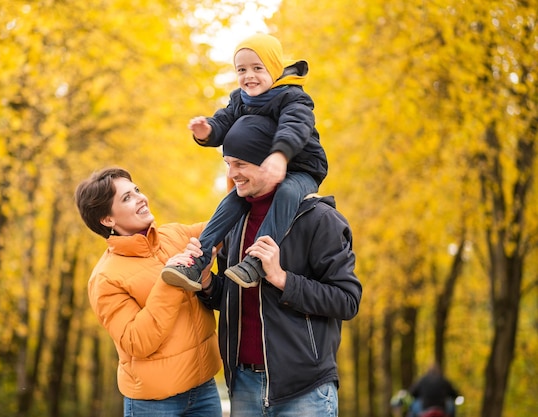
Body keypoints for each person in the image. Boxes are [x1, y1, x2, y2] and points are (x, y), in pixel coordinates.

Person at [168, 115, 362, 416]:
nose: (232, 174)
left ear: (267, 162)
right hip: (243, 385)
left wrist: (282, 278)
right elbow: (229, 298)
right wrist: (207, 283)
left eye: (240, 164)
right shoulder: (233, 221)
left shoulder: (320, 220)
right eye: (228, 163)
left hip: (305, 391)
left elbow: (347, 301)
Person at [161, 33, 328, 292]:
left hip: (301, 168)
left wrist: (280, 155)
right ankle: (197, 261)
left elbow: (294, 127)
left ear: (273, 68)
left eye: (257, 68)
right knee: (231, 201)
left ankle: (257, 261)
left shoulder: (292, 97)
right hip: (262, 171)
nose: (249, 75)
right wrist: (207, 132)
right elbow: (223, 120)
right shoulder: (240, 99)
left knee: (286, 192)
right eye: (242, 69)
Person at [74, 167, 222, 417]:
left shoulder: (174, 235)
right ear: (107, 219)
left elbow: (225, 227)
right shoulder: (105, 278)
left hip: (204, 391)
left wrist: (241, 178)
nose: (141, 198)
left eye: (137, 191)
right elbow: (137, 341)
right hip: (155, 405)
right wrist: (171, 279)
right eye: (127, 198)